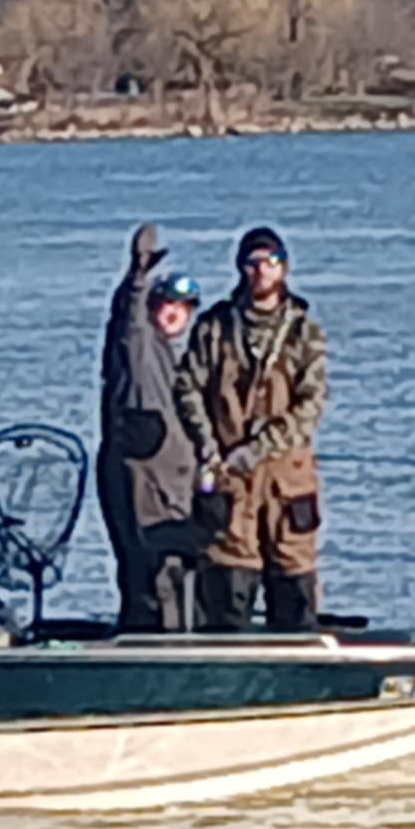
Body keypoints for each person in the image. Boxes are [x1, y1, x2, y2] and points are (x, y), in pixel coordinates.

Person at [174, 225, 328, 632]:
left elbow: (311, 406)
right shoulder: (214, 328)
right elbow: (187, 386)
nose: (261, 271)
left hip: (287, 481)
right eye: (252, 263)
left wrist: (261, 447)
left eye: (270, 262)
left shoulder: (303, 332)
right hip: (229, 480)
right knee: (227, 585)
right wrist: (207, 444)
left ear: (284, 268)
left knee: (294, 585)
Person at [98, 223, 203, 630]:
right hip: (142, 476)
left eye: (185, 306)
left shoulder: (173, 357)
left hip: (173, 484)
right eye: (168, 303)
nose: (175, 312)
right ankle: (153, 640)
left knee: (176, 567)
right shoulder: (137, 342)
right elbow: (128, 317)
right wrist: (138, 276)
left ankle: (174, 633)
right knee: (149, 569)